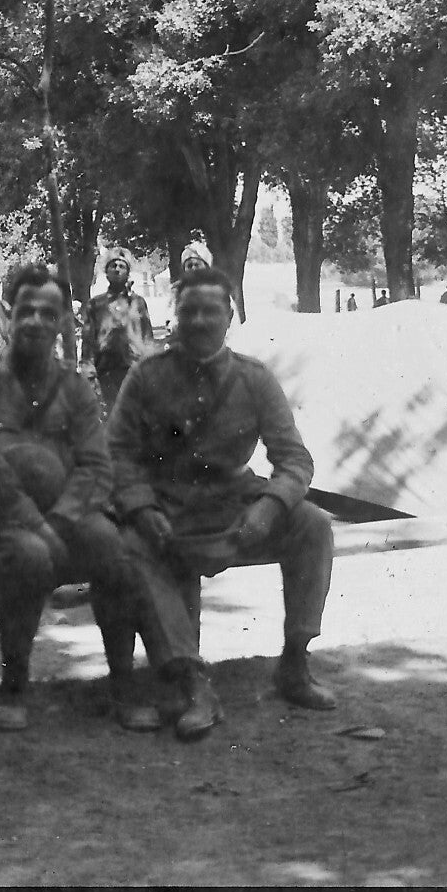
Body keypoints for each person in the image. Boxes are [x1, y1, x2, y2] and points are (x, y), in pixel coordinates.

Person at [109, 265, 337, 743]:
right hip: (170, 512)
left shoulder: (254, 379)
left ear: (229, 316)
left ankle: (295, 662)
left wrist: (271, 506)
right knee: (130, 544)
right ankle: (194, 684)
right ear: (174, 317)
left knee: (312, 524)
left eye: (210, 310)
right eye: (188, 311)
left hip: (237, 510)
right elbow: (118, 455)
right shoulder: (146, 377)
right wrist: (142, 506)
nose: (198, 321)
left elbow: (294, 458)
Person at [0, 262, 156, 734]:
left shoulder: (75, 388)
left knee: (112, 547)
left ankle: (122, 682)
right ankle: (14, 685)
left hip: (62, 519)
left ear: (63, 320)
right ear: (11, 314)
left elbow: (96, 466)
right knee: (30, 555)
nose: (37, 322)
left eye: (49, 313)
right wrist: (37, 524)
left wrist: (59, 520)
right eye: (26, 311)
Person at [82, 252, 157, 413]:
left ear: (128, 271)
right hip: (106, 373)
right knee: (111, 417)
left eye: (122, 266)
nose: (117, 270)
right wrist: (88, 372)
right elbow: (88, 341)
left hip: (133, 371)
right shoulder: (96, 304)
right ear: (106, 271)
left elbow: (148, 338)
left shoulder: (138, 302)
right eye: (113, 266)